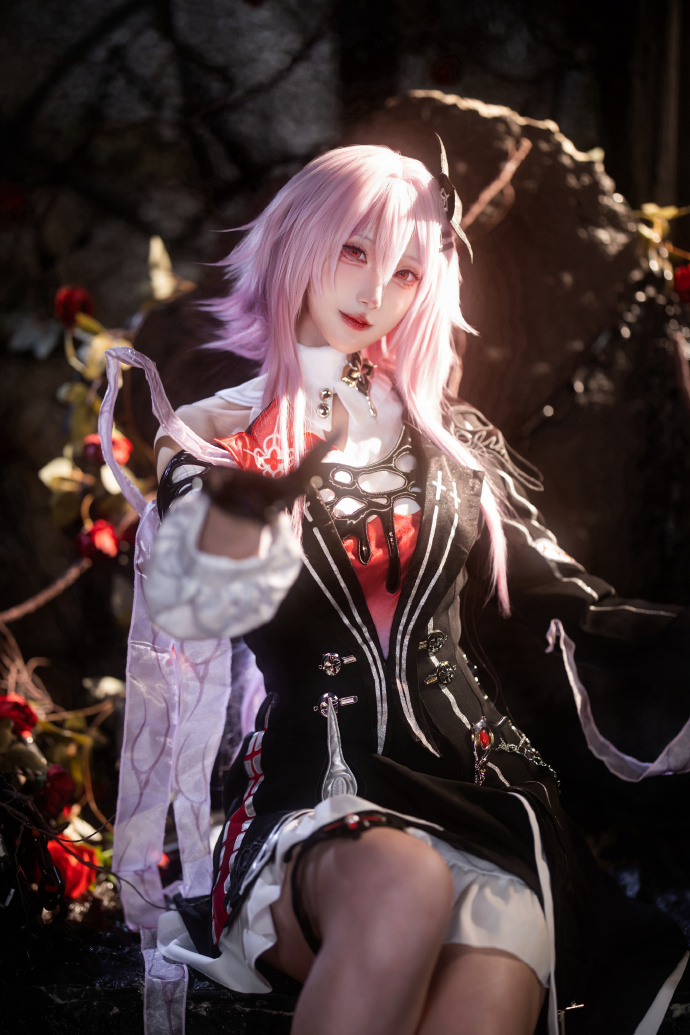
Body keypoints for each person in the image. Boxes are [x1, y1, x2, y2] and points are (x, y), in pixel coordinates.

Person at [105, 144, 689, 1035]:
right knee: (405, 881)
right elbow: (195, 606)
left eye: (407, 270)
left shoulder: (450, 440)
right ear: (300, 241)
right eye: (354, 250)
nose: (376, 290)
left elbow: (573, 599)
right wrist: (258, 493)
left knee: (500, 952)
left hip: (479, 800)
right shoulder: (217, 432)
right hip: (314, 795)